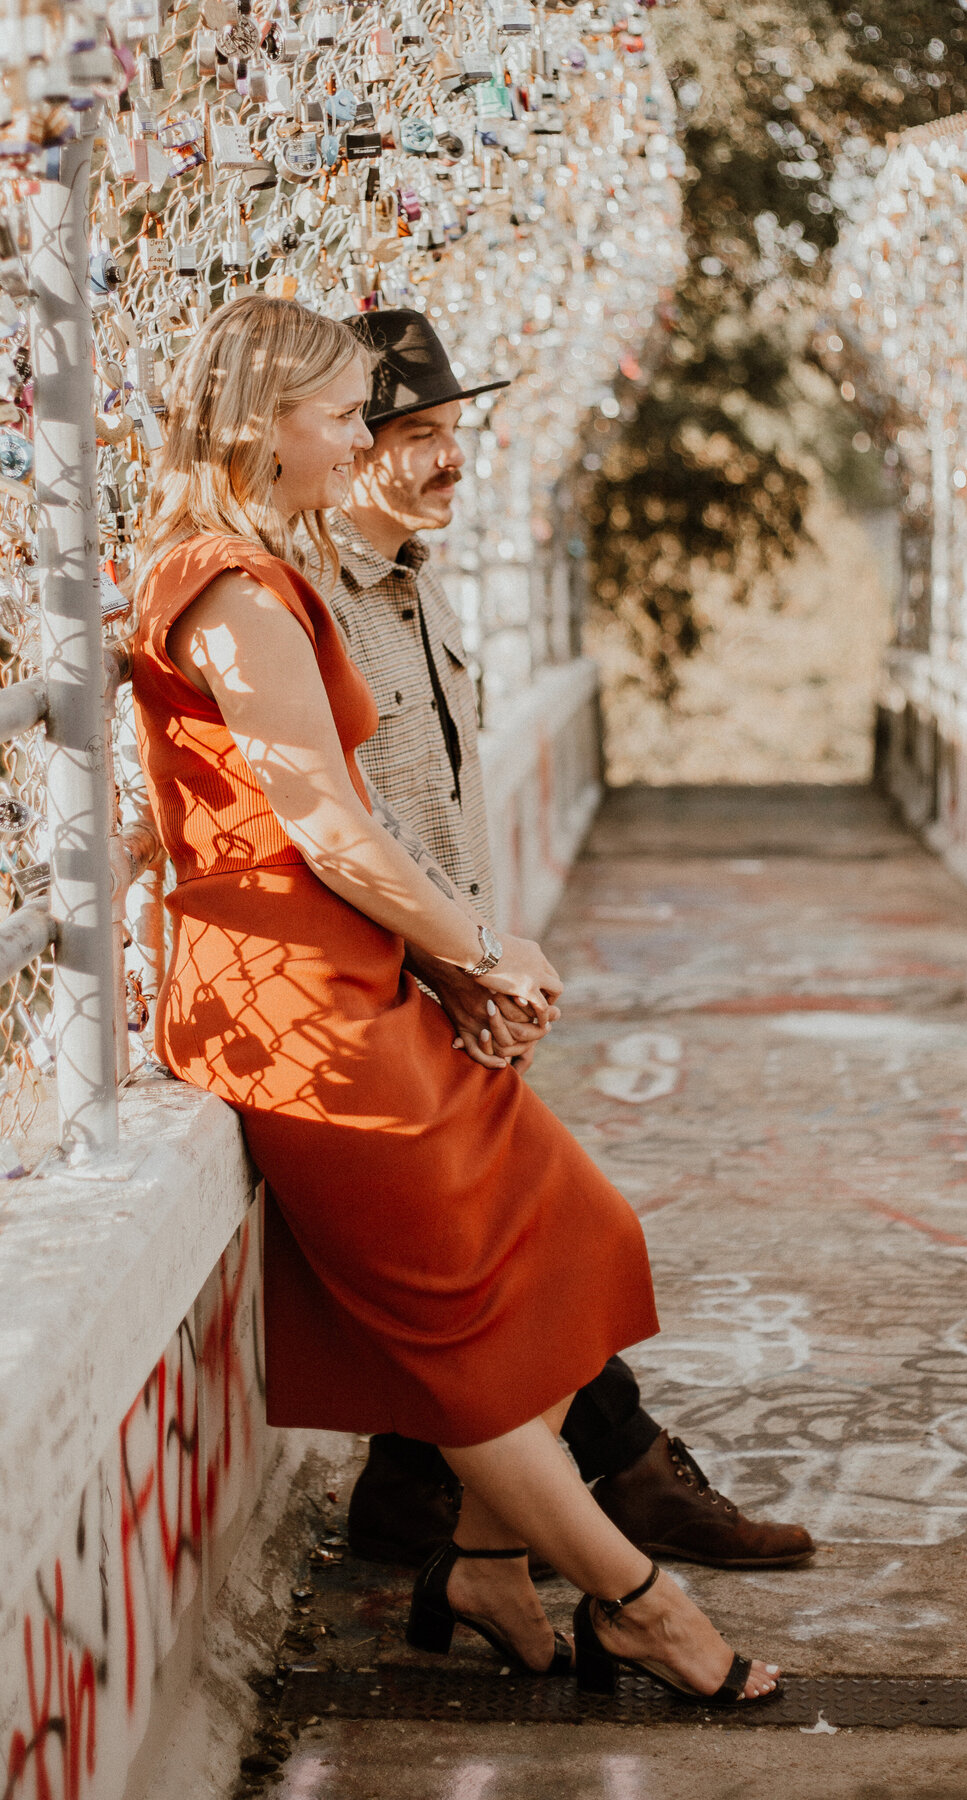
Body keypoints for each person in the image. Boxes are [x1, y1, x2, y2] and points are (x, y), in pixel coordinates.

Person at [131, 293, 781, 1706]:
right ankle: (642, 1605)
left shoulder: (266, 575)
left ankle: (489, 1564)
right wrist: (479, 950)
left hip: (364, 978)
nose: (354, 432)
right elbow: (326, 826)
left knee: (580, 1241)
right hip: (301, 1011)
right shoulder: (229, 590)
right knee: (471, 1355)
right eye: (337, 411)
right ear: (263, 425)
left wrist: (450, 959)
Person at [325, 308, 816, 1575]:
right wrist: (462, 958)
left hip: (458, 979)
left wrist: (495, 944)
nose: (450, 460)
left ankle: (414, 1496)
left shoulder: (419, 593)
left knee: (489, 1255)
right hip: (393, 988)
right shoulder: (312, 604)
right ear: (340, 440)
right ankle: (634, 1484)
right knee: (545, 1236)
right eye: (415, 435)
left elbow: (441, 795)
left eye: (456, 433)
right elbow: (347, 818)